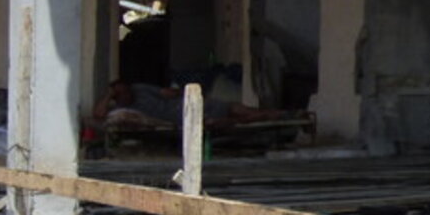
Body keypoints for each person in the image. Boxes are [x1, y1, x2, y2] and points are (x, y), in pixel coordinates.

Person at [93, 79, 292, 127]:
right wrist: (109, 95)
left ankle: (274, 114)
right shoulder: (121, 108)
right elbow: (99, 114)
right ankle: (273, 116)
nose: (127, 94)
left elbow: (166, 93)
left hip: (187, 104)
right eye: (121, 94)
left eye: (126, 90)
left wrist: (181, 90)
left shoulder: (139, 89)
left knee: (234, 108)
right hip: (182, 118)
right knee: (236, 119)